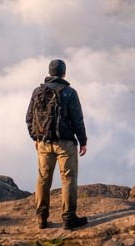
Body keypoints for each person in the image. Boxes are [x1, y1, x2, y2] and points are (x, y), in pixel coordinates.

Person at [25, 58, 89, 229]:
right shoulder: (69, 92)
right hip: (65, 143)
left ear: (49, 73)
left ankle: (41, 218)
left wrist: (35, 137)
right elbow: (77, 119)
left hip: (44, 142)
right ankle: (69, 219)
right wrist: (83, 141)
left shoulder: (37, 92)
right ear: (64, 73)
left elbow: (29, 118)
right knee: (68, 179)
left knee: (43, 179)